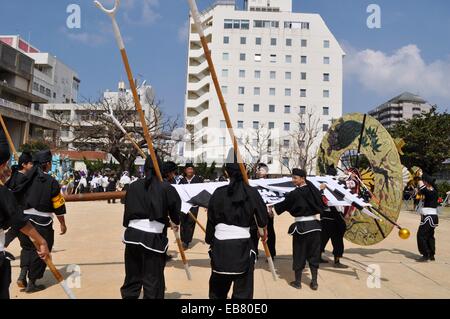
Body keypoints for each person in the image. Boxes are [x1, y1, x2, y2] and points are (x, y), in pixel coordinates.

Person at [206, 154, 268, 299]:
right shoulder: (252, 193)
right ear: (245, 171)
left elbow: (211, 220)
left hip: (220, 247)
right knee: (243, 292)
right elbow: (262, 220)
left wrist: (210, 240)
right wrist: (261, 230)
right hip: (243, 247)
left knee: (217, 291)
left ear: (226, 173)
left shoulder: (218, 193)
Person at [120, 156, 181, 299]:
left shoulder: (133, 186)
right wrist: (174, 221)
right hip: (152, 238)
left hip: (132, 236)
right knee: (152, 279)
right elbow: (175, 209)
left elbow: (128, 209)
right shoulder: (166, 187)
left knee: (132, 276)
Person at [0, 128, 50, 299]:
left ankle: (23, 275)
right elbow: (18, 220)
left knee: (22, 245)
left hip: (17, 218)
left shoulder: (12, 180)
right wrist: (42, 241)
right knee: (29, 246)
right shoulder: (29, 180)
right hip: (22, 218)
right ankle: (30, 279)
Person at [11, 150, 68, 293]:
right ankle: (32, 282)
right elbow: (58, 206)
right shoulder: (52, 182)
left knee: (27, 248)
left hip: (23, 222)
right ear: (48, 164)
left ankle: (22, 274)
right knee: (42, 250)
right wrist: (62, 223)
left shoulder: (24, 179)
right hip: (42, 223)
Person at [269, 169, 324, 290]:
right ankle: (314, 282)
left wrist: (271, 206)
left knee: (299, 253)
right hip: (315, 227)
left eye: (295, 178)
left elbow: (282, 206)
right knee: (314, 254)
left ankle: (298, 282)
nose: (293, 180)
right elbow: (322, 200)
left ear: (302, 178)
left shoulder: (295, 193)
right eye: (292, 178)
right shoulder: (313, 190)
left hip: (301, 228)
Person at [252, 163, 276, 259]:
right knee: (254, 232)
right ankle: (254, 252)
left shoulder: (270, 183)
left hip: (267, 211)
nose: (259, 171)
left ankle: (271, 253)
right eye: (258, 169)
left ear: (266, 172)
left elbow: (273, 196)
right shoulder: (253, 182)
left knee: (269, 232)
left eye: (262, 169)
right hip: (255, 212)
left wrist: (270, 208)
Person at [179, 163, 204, 250]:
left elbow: (202, 191)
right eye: (188, 169)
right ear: (185, 171)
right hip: (184, 205)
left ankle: (186, 241)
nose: (190, 171)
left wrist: (203, 203)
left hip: (194, 205)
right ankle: (183, 239)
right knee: (183, 222)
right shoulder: (182, 180)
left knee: (190, 223)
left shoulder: (198, 179)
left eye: (191, 169)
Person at [416, 174, 439, 262]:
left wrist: (419, 177)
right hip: (432, 216)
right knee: (429, 236)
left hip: (429, 216)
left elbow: (422, 188)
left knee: (421, 235)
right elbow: (422, 190)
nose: (424, 183)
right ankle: (431, 254)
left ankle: (425, 254)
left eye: (425, 181)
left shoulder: (430, 191)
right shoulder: (433, 191)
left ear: (427, 182)